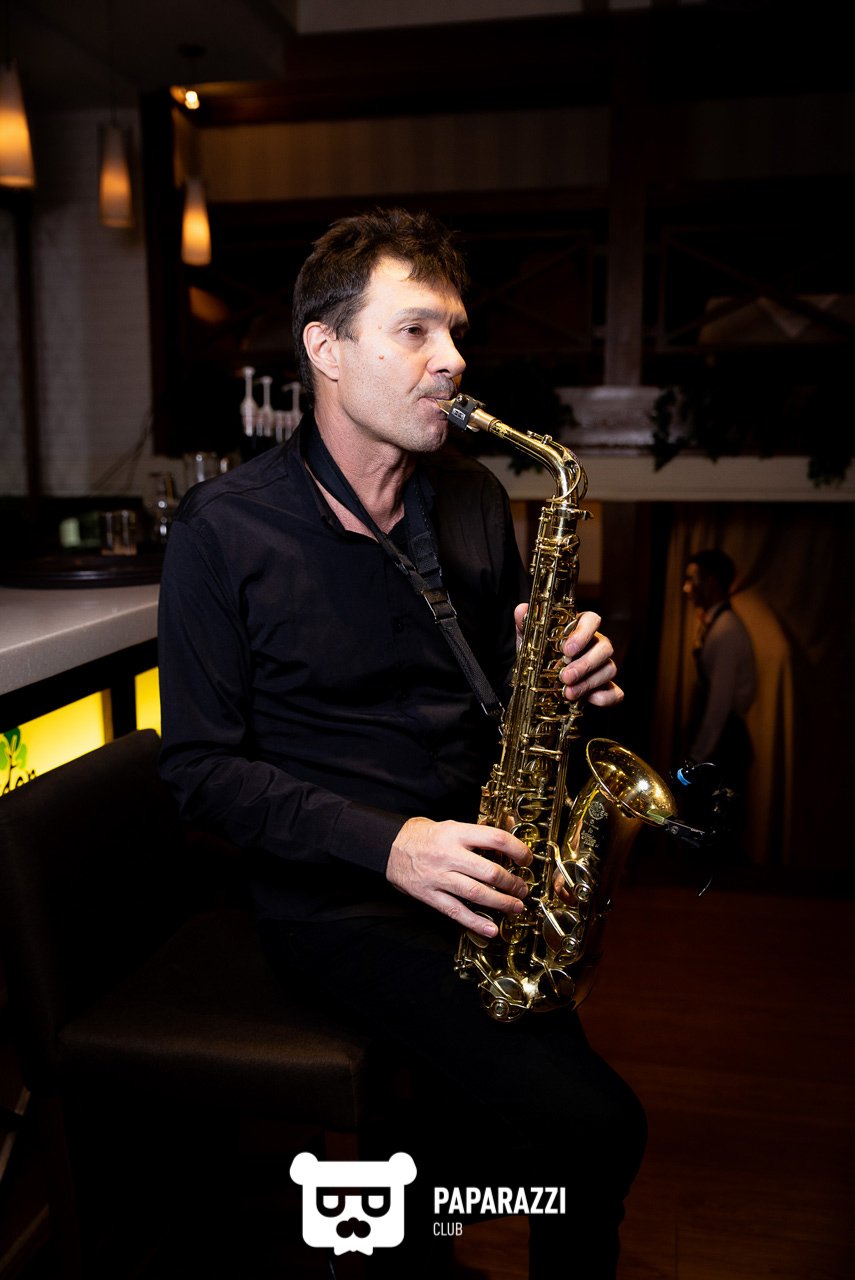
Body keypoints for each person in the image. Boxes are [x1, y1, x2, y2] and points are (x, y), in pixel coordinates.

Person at [157, 207, 646, 1279]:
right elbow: (199, 773)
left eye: (455, 330)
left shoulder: (471, 499)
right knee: (595, 1130)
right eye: (415, 330)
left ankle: (389, 1236)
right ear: (325, 349)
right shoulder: (223, 529)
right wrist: (391, 845)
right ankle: (392, 1228)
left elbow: (516, 704)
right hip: (338, 897)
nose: (453, 357)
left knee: (516, 1126)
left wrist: (572, 674)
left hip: (483, 872)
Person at [681, 548, 757, 832]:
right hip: (721, 741)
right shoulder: (715, 623)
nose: (685, 588)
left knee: (713, 828)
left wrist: (695, 760)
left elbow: (718, 707)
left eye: (692, 579)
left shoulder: (727, 630)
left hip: (725, 746)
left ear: (711, 581)